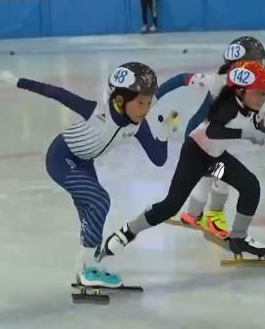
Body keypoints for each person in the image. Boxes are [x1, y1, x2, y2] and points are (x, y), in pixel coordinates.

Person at [13, 62, 169, 288]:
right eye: (140, 102)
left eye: (149, 102)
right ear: (119, 100)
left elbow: (158, 158)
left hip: (85, 163)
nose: (145, 109)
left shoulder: (138, 125)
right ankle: (87, 269)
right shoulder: (97, 111)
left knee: (91, 213)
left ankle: (89, 266)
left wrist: (163, 135)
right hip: (61, 157)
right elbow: (57, 93)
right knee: (99, 201)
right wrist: (19, 82)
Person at [100, 61, 265, 261]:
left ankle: (238, 238)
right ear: (241, 90)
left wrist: (264, 125)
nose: (263, 98)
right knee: (170, 206)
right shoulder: (225, 102)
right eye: (259, 93)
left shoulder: (247, 103)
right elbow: (213, 130)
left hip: (215, 161)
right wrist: (154, 98)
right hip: (195, 156)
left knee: (250, 186)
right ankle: (127, 232)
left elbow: (257, 121)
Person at [153, 36, 265, 238]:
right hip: (203, 139)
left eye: (261, 63)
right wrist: (154, 97)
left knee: (207, 176)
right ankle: (214, 216)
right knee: (221, 177)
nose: (261, 67)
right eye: (256, 63)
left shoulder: (243, 84)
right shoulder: (219, 81)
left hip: (212, 137)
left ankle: (192, 214)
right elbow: (182, 79)